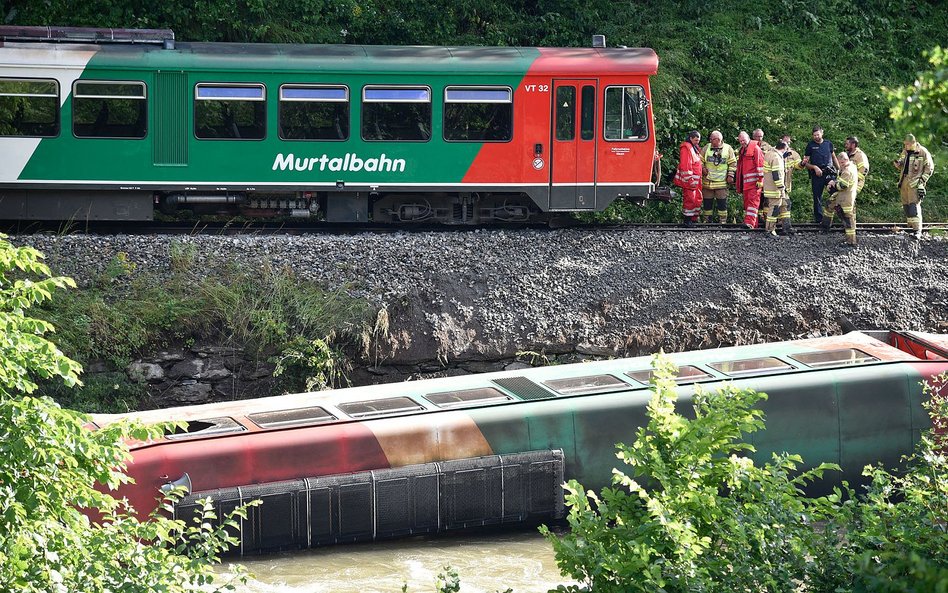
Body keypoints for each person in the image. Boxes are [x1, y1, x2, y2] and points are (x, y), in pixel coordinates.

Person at [893, 134, 935, 239]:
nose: (906, 146)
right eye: (905, 144)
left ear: (913, 143)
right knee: (906, 206)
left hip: (915, 183)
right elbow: (903, 163)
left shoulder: (922, 152)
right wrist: (898, 164)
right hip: (904, 182)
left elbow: (929, 168)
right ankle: (911, 228)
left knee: (913, 206)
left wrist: (921, 181)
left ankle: (917, 231)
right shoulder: (905, 152)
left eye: (907, 144)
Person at [802, 126, 840, 223]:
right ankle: (819, 219)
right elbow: (805, 163)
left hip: (829, 174)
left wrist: (839, 169)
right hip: (817, 175)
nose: (816, 137)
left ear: (822, 133)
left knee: (835, 194)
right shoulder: (810, 145)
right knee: (817, 197)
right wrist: (814, 167)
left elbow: (834, 157)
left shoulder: (828, 144)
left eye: (818, 134)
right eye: (814, 135)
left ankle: (839, 216)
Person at [700, 130, 737, 223]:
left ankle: (723, 221)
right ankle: (707, 220)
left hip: (721, 182)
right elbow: (699, 160)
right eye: (711, 139)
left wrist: (730, 175)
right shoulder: (706, 148)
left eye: (712, 139)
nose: (710, 141)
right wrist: (703, 168)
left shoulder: (728, 148)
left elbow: (733, 163)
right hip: (708, 182)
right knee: (707, 202)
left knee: (722, 203)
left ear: (718, 140)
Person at [824, 152, 859, 246]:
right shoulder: (851, 166)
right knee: (829, 204)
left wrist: (833, 184)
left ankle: (851, 241)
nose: (840, 165)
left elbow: (842, 186)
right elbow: (841, 181)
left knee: (847, 220)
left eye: (841, 163)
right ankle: (825, 226)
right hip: (843, 197)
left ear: (846, 160)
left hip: (845, 199)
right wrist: (835, 181)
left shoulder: (847, 171)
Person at [761, 141, 792, 237]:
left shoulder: (770, 154)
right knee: (774, 209)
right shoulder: (776, 158)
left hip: (770, 187)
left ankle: (786, 228)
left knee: (786, 204)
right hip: (775, 189)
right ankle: (770, 230)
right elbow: (776, 175)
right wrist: (781, 187)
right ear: (784, 148)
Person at [674, 130, 703, 227]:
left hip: (696, 180)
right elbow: (685, 165)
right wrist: (689, 179)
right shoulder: (686, 148)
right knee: (690, 199)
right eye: (695, 140)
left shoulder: (693, 148)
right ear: (690, 138)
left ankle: (693, 219)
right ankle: (687, 220)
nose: (697, 142)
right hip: (690, 180)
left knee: (697, 199)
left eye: (698, 140)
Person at [735, 131, 763, 228]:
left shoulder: (755, 149)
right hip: (746, 184)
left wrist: (760, 180)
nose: (742, 142)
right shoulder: (743, 150)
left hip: (754, 183)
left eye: (744, 140)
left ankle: (749, 223)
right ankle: (752, 224)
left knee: (752, 203)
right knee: (748, 204)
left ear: (748, 138)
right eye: (740, 141)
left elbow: (760, 165)